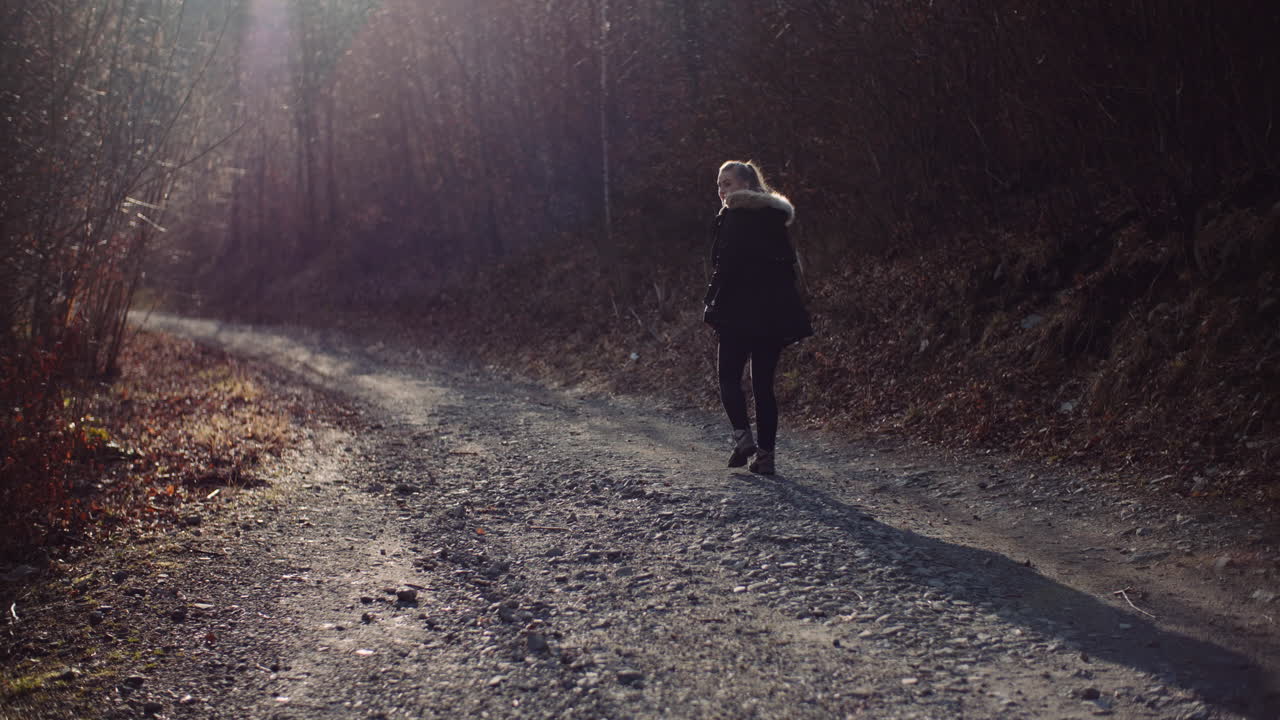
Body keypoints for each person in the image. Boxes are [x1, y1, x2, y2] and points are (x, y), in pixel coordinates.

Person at [703, 160, 813, 475]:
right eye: (720, 184)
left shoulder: (734, 218)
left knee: (728, 378)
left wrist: (711, 303)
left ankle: (743, 438)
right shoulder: (774, 218)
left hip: (738, 312)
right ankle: (766, 457)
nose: (723, 191)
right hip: (773, 314)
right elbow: (787, 268)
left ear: (746, 186)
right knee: (763, 386)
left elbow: (724, 267)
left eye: (729, 184)